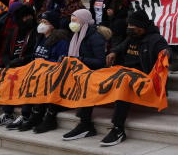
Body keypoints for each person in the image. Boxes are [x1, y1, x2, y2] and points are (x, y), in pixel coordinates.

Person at [73, 8, 170, 146]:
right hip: (125, 71)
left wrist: (166, 54)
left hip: (143, 76)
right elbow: (119, 47)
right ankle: (85, 123)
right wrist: (113, 52)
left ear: (142, 26)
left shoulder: (156, 40)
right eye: (128, 25)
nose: (129, 28)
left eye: (132, 26)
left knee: (123, 81)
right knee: (92, 77)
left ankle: (118, 128)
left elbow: (165, 53)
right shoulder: (131, 37)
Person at [54, 8, 110, 140]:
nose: (71, 23)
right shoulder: (77, 34)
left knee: (85, 82)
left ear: (83, 21)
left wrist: (79, 60)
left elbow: (101, 62)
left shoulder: (95, 37)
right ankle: (51, 112)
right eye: (71, 20)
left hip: (94, 72)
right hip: (81, 70)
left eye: (75, 21)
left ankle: (85, 125)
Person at [12, 11, 71, 132]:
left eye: (45, 22)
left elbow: (61, 60)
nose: (41, 24)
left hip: (51, 73)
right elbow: (35, 56)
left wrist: (43, 65)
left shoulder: (61, 41)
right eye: (41, 22)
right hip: (38, 72)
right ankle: (30, 114)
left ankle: (42, 115)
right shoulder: (40, 38)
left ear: (52, 25)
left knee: (38, 80)